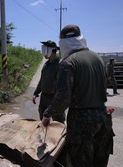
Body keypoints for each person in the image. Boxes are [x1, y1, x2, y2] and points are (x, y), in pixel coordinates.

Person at [42, 24, 114, 167]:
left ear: (63, 43)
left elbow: (63, 99)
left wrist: (47, 113)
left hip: (82, 121)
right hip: (103, 117)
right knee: (100, 162)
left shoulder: (68, 63)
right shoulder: (97, 58)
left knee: (80, 162)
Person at [32, 40, 65, 123]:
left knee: (58, 122)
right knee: (43, 119)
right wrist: (36, 93)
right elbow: (42, 80)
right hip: (44, 97)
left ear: (52, 50)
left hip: (54, 98)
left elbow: (63, 86)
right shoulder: (46, 64)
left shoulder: (60, 64)